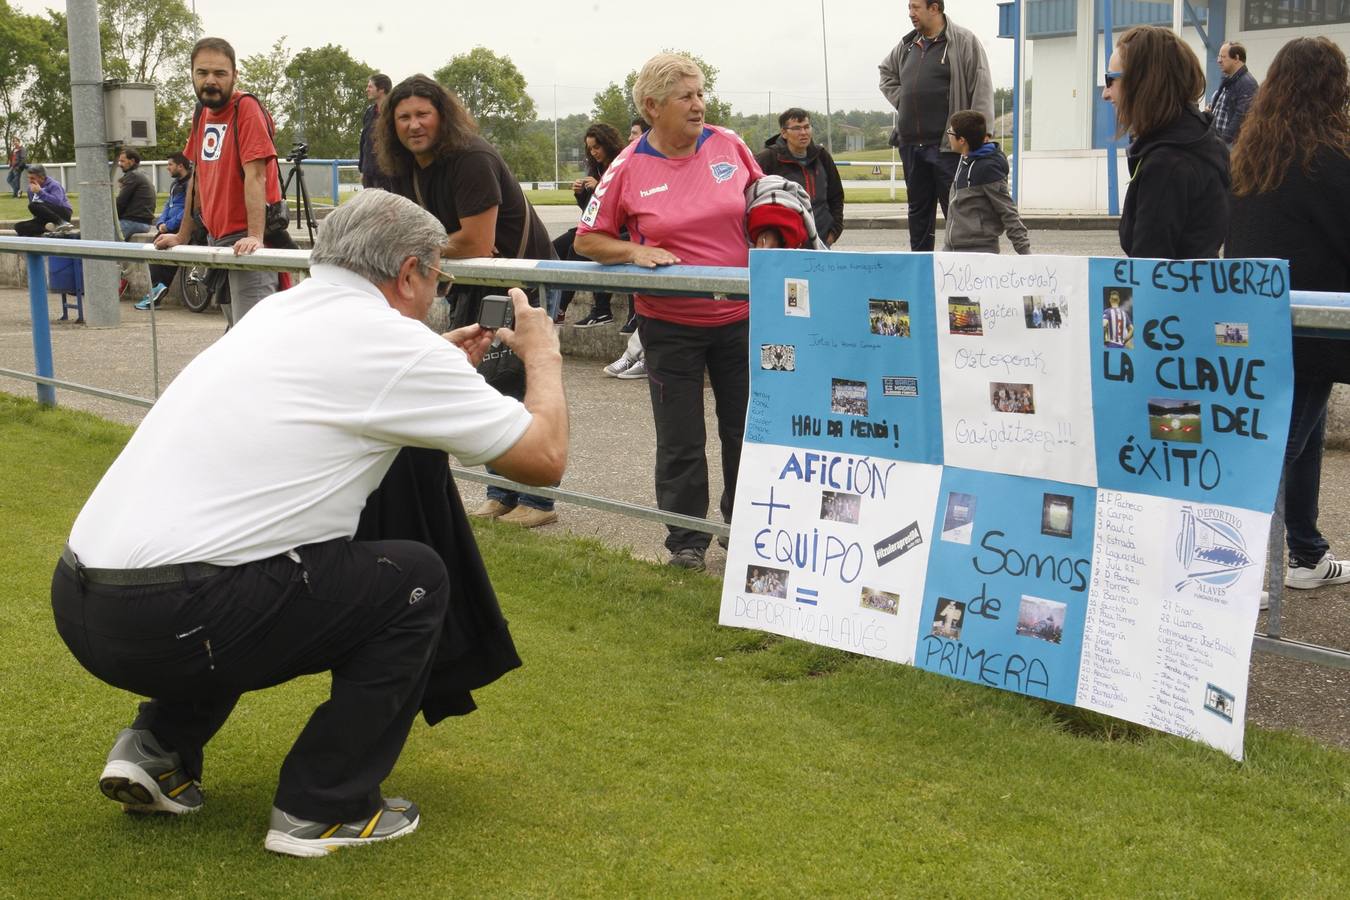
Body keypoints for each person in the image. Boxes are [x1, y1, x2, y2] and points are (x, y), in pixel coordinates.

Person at [51, 189, 568, 858]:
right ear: (410, 272)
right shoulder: (397, 348)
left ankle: (156, 749)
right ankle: (324, 806)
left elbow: (350, 377)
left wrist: (434, 360)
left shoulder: (275, 314)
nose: (435, 289)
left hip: (84, 600)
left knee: (256, 553)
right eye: (437, 274)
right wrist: (545, 357)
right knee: (414, 578)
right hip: (181, 618)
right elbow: (544, 459)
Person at [574, 53, 780, 571]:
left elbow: (762, 201)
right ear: (652, 106)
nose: (698, 104)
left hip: (741, 321)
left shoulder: (728, 143)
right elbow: (587, 239)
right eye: (686, 96)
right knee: (682, 438)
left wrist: (772, 233)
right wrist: (632, 252)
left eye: (701, 92)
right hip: (670, 328)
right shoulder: (628, 164)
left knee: (745, 429)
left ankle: (745, 525)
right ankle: (686, 541)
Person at [376, 74, 560, 528]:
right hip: (476, 282)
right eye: (404, 117)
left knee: (515, 383)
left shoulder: (471, 157)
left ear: (442, 116)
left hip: (524, 281)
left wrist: (418, 251)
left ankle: (536, 503)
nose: (414, 124)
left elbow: (477, 240)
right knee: (483, 383)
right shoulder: (406, 169)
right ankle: (502, 492)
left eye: (423, 114)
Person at [1226, 36, 1350, 591]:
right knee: (1277, 452)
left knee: (1299, 440)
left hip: (1253, 323)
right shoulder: (1331, 156)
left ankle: (1305, 551)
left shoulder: (1255, 151)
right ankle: (1235, 578)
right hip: (1309, 331)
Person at [154, 37, 286, 326]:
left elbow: (257, 175)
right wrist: (182, 236)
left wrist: (255, 236)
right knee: (236, 335)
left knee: (253, 339)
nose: (210, 81)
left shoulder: (246, 109)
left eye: (220, 73)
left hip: (246, 243)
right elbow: (197, 178)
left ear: (235, 75)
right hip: (219, 241)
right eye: (202, 73)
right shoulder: (202, 113)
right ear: (191, 74)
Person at [1102, 25, 1229, 259]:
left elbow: (1147, 271)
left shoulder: (1166, 163)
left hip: (1174, 296)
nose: (1106, 93)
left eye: (1111, 80)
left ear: (1143, 83)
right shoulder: (1206, 142)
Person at [879, 0, 993, 251]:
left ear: (935, 8)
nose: (911, 14)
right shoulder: (907, 45)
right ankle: (922, 274)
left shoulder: (963, 41)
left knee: (957, 212)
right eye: (909, 8)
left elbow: (981, 85)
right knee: (918, 214)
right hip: (910, 145)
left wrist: (981, 134)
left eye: (916, 8)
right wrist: (904, 99)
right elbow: (886, 73)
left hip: (947, 148)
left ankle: (960, 274)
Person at [553, 123, 626, 327]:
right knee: (553, 247)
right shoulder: (596, 168)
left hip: (619, 230)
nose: (593, 153)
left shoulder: (621, 165)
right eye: (590, 148)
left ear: (608, 144)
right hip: (598, 227)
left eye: (597, 147)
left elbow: (621, 209)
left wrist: (601, 189)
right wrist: (581, 194)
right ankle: (547, 301)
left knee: (576, 248)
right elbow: (591, 213)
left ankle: (561, 308)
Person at [942, 110, 1029, 255]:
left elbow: (1008, 212)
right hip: (951, 251)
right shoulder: (964, 159)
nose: (948, 135)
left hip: (979, 254)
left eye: (950, 132)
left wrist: (1026, 253)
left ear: (962, 140)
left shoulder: (988, 169)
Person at [755, 108, 844, 246]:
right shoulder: (767, 159)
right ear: (784, 132)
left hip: (821, 241)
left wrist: (834, 231)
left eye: (807, 127)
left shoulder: (822, 156)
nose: (803, 133)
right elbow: (754, 199)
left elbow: (836, 196)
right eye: (797, 128)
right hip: (784, 244)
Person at [138, 153, 194, 310]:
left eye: (170, 164)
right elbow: (168, 205)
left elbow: (188, 210)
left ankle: (158, 288)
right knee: (154, 249)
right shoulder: (175, 184)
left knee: (163, 248)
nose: (167, 168)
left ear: (180, 166)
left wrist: (169, 225)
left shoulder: (191, 183)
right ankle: (157, 287)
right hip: (168, 226)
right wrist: (161, 222)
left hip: (180, 227)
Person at [1209, 42, 1258, 147]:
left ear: (1236, 58)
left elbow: (1241, 116)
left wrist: (1223, 141)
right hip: (1220, 143)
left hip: (1231, 145)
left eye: (1223, 57)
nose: (1218, 61)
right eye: (1219, 57)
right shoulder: (1229, 81)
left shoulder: (1247, 84)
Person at [14, 163, 73, 237]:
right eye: (28, 178)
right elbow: (36, 211)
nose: (30, 181)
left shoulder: (54, 185)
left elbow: (58, 202)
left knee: (33, 205)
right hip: (45, 218)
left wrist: (40, 192)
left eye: (32, 178)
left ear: (42, 177)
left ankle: (61, 223)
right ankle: (51, 229)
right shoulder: (30, 189)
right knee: (18, 227)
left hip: (62, 214)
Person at [358, 72, 392, 190]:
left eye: (370, 86)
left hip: (388, 174)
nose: (367, 89)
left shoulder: (393, 113)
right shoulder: (369, 112)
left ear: (381, 89)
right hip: (369, 173)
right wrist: (362, 169)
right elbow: (364, 141)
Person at [115, 148, 157, 239]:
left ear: (132, 161)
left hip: (133, 222)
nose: (120, 164)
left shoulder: (133, 175)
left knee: (101, 237)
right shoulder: (142, 174)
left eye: (122, 161)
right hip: (144, 223)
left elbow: (121, 202)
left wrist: (110, 218)